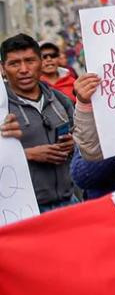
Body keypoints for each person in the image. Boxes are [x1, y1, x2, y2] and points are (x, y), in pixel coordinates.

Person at [3, 34, 77, 212]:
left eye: (30, 61)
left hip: (69, 202)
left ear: (41, 63)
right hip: (23, 211)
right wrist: (26, 155)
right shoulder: (1, 107)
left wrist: (74, 143)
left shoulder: (60, 100)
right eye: (14, 63)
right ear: (3, 69)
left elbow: (84, 141)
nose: (24, 69)